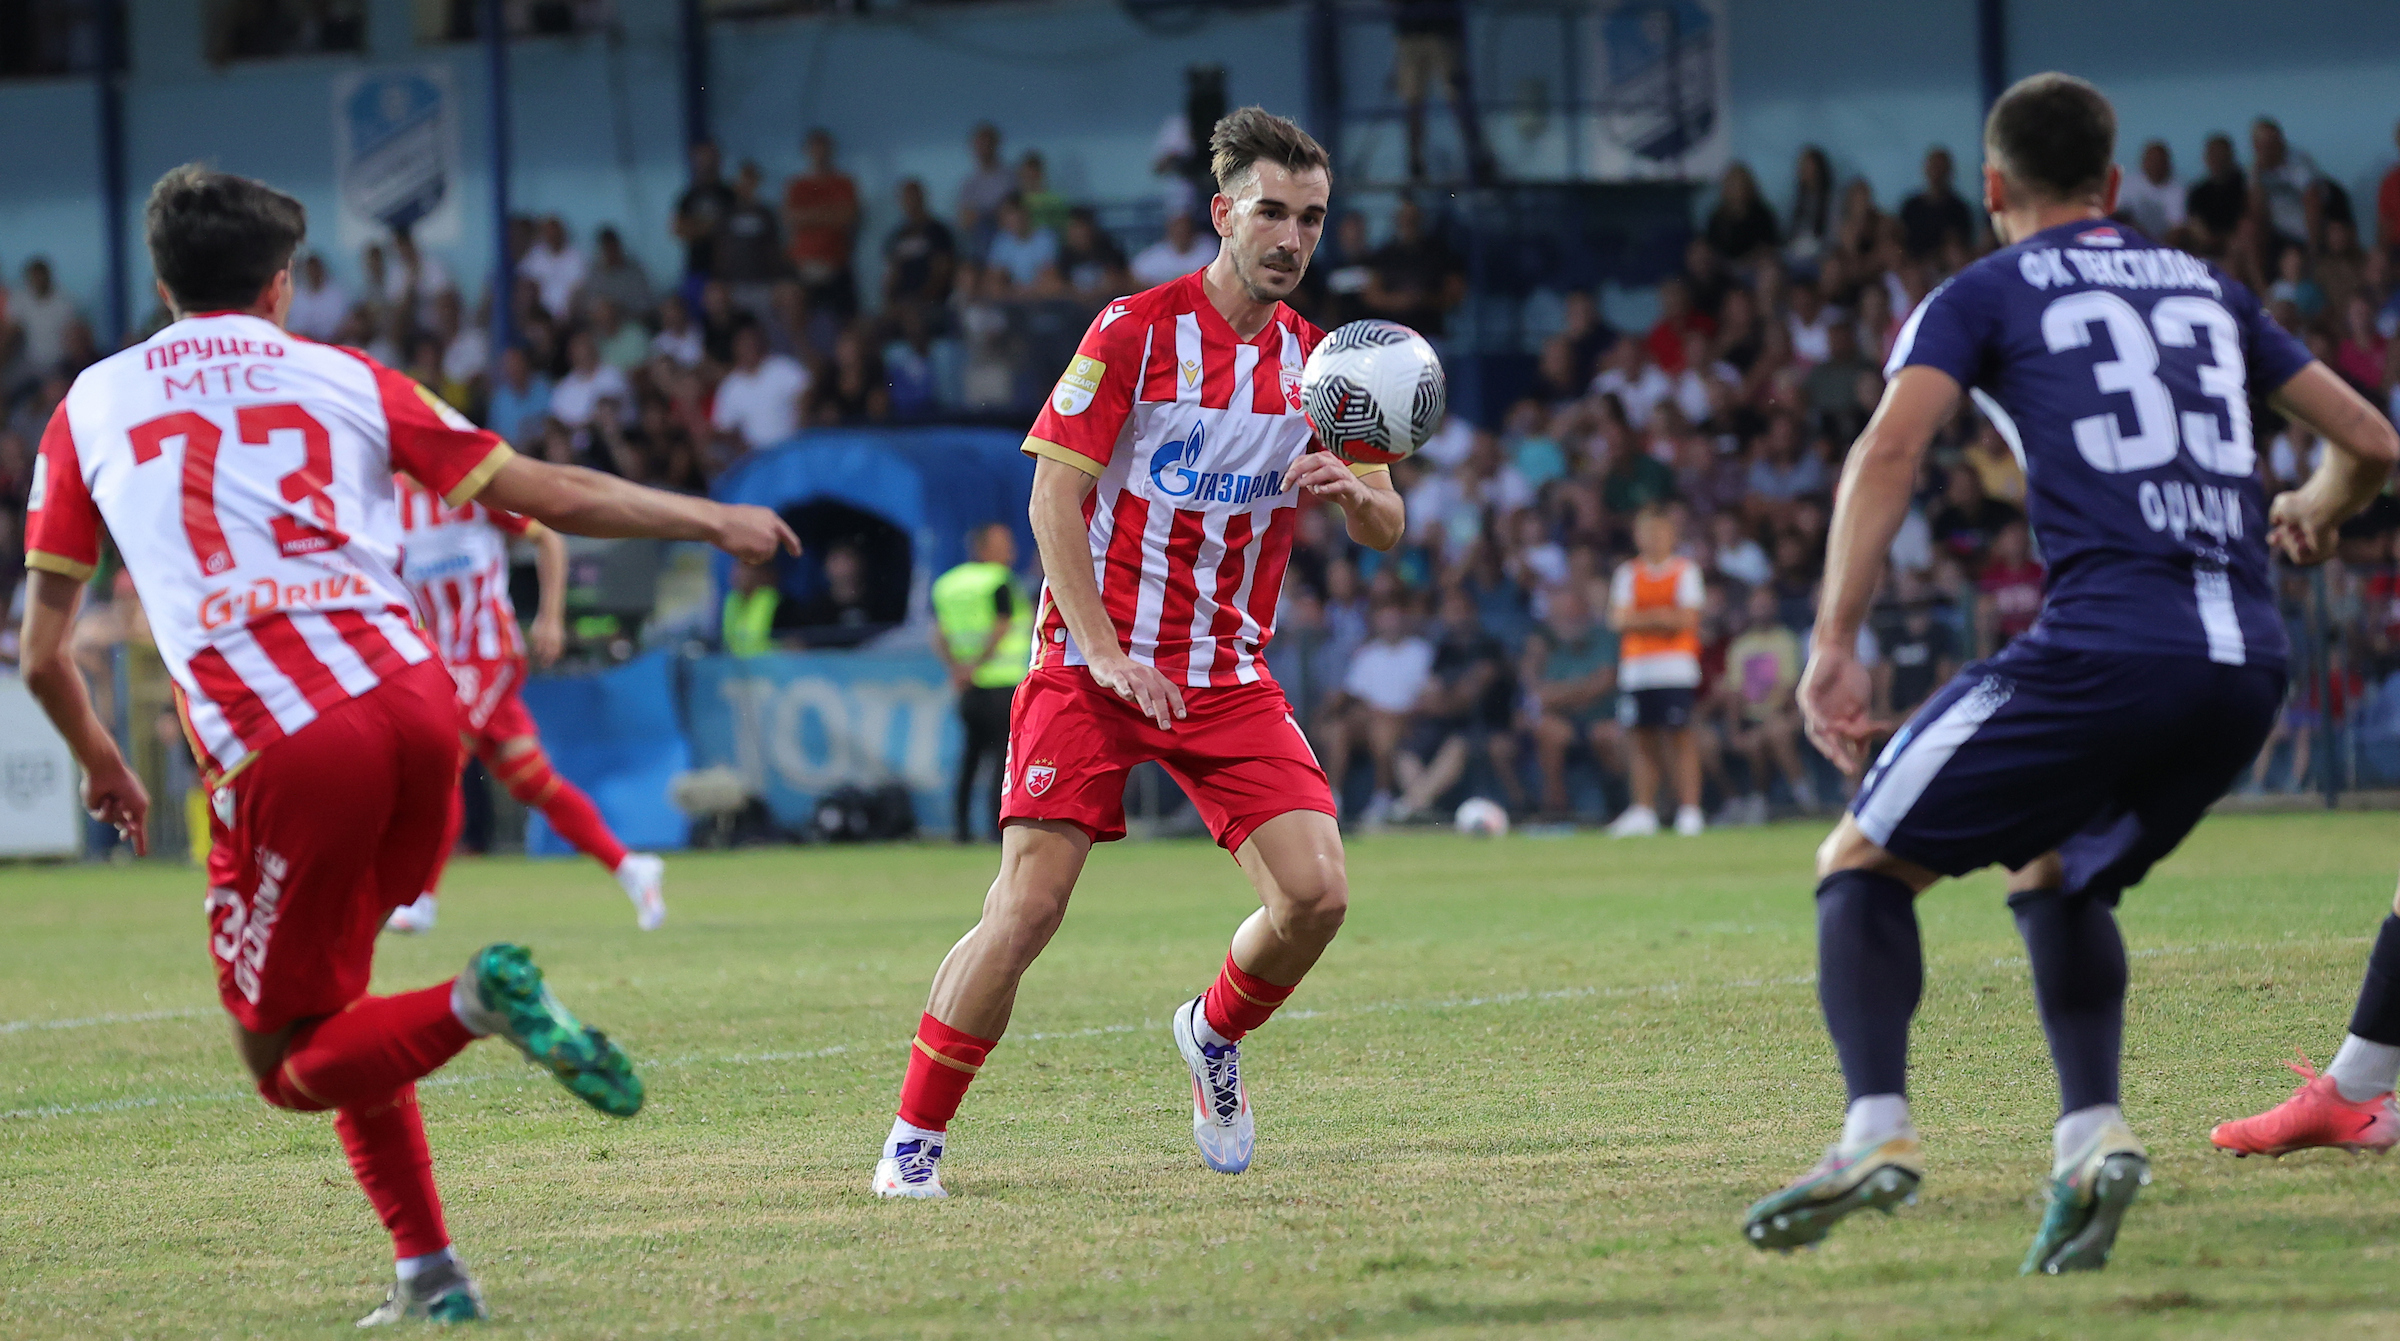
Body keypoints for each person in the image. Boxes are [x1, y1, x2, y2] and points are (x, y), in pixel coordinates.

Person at [17, 165, 797, 1323]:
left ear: (162, 279)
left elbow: (44, 653)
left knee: (285, 1064)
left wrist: (103, 763)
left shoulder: (91, 404)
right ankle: (430, 1273)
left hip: (285, 740)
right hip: (421, 706)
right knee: (341, 1005)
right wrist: (710, 516)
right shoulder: (351, 377)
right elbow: (546, 489)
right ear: (279, 286)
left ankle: (480, 1002)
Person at [1740, 75, 2397, 1273]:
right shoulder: (2210, 288)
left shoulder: (1982, 291)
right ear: (2113, 183)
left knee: (1860, 865)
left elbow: (1890, 448)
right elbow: (2371, 441)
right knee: (2060, 868)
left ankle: (1874, 1134)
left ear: (1992, 185)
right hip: (2248, 662)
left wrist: (1832, 642)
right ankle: (2092, 1137)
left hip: (2107, 647)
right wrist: (2313, 507)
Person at [870, 108, 1401, 1200]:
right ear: (1222, 215)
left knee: (1317, 897)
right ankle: (914, 1141)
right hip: (1089, 665)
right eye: (1271, 212)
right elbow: (1051, 501)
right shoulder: (1134, 332)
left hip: (1225, 674)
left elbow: (1388, 519)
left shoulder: (1325, 367)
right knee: (1027, 909)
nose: (1292, 237)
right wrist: (1105, 654)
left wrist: (1357, 497)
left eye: (1310, 218)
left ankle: (1212, 1033)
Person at [382, 475, 666, 936]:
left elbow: (548, 539)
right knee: (531, 780)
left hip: (489, 650)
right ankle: (632, 867)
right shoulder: (386, 498)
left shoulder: (467, 486)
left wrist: (550, 618)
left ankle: (421, 899)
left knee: (442, 760)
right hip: (439, 658)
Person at [1606, 505, 1705, 837]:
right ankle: (1644, 810)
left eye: (1659, 532)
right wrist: (1662, 617)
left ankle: (1689, 810)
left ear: (1672, 536)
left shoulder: (1685, 571)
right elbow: (1618, 620)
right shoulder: (1627, 573)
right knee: (1640, 740)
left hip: (1675, 669)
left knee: (1681, 738)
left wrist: (1641, 618)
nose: (1653, 539)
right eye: (1647, 533)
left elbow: (1686, 619)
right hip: (1637, 670)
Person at [932, 523, 1031, 844]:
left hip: (968, 688)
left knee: (970, 758)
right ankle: (994, 827)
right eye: (1004, 544)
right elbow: (1002, 628)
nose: (1011, 550)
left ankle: (961, 829)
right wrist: (977, 664)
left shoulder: (948, 584)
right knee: (1003, 759)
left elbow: (938, 634)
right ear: (984, 548)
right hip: (1002, 684)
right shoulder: (999, 581)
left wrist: (959, 669)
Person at [783, 129, 860, 321]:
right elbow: (791, 218)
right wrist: (829, 213)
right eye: (815, 148)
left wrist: (808, 216)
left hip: (836, 264)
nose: (819, 153)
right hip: (802, 266)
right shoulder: (797, 185)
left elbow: (847, 217)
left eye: (823, 148)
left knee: (846, 322)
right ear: (807, 151)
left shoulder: (844, 183)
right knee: (802, 321)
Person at [1898, 146, 1975, 259]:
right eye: (1934, 167)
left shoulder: (1959, 209)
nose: (1937, 172)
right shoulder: (1910, 207)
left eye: (1941, 167)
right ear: (1926, 169)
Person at [2114, 140, 2183, 242]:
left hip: (2164, 243)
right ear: (2143, 161)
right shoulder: (2127, 184)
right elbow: (2117, 216)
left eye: (2159, 160)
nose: (2155, 164)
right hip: (2132, 239)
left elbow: (2177, 227)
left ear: (2167, 163)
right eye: (2151, 160)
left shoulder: (2178, 188)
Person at [1130, 210, 1217, 287]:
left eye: (1185, 228)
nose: (1181, 232)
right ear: (1169, 229)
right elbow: (1135, 279)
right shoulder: (1152, 257)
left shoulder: (1209, 249)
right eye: (1177, 228)